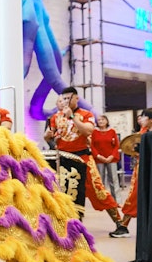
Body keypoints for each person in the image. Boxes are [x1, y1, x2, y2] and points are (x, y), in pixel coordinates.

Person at [44, 87, 123, 232]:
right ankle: (68, 225)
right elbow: (51, 138)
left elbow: (87, 131)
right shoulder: (56, 117)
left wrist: (73, 117)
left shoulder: (86, 114)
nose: (66, 102)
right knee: (63, 193)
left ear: (76, 99)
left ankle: (120, 223)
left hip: (83, 158)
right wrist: (47, 135)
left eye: (69, 98)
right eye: (64, 99)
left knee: (98, 191)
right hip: (63, 159)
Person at [116, 107, 152, 238]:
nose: (141, 119)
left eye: (144, 117)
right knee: (134, 195)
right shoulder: (142, 132)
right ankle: (124, 226)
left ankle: (124, 226)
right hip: (141, 168)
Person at [90, 115, 120, 199]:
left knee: (113, 179)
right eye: (99, 120)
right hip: (99, 159)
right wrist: (98, 156)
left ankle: (116, 200)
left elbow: (116, 145)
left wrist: (111, 156)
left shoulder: (112, 131)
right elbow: (92, 146)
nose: (100, 121)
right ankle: (102, 199)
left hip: (111, 158)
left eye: (102, 119)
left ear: (107, 121)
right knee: (100, 179)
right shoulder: (94, 132)